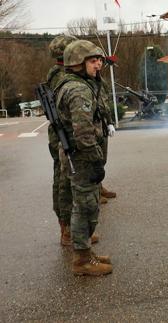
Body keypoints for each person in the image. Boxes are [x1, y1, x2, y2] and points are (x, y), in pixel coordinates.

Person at [55, 40, 112, 276]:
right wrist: (96, 161)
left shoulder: (79, 84)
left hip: (78, 155)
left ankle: (86, 252)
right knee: (85, 207)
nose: (98, 64)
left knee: (85, 205)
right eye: (92, 60)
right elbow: (83, 132)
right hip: (82, 157)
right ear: (78, 64)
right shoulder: (78, 90)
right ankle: (81, 260)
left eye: (98, 59)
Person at [46, 34, 77, 246]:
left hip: (60, 132)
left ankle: (68, 228)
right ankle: (67, 230)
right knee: (64, 181)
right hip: (62, 134)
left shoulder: (58, 72)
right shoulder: (60, 75)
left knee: (64, 178)